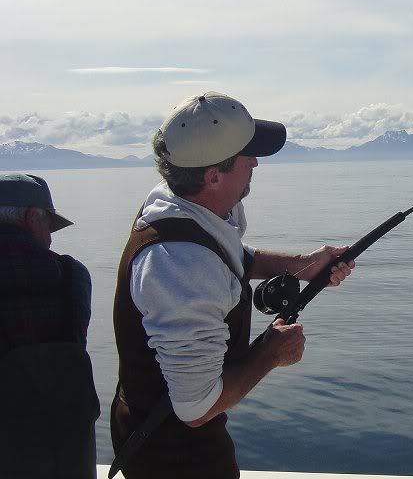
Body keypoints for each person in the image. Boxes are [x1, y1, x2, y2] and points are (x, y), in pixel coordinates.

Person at [111, 92, 354, 479]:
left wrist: (304, 265)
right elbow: (196, 409)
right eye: (247, 156)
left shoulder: (179, 203)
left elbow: (229, 255)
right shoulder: (179, 269)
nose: (256, 162)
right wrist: (272, 353)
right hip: (176, 460)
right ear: (213, 176)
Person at [0, 173, 100, 479]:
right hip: (64, 459)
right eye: (49, 224)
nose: (52, 237)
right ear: (32, 218)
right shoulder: (73, 277)